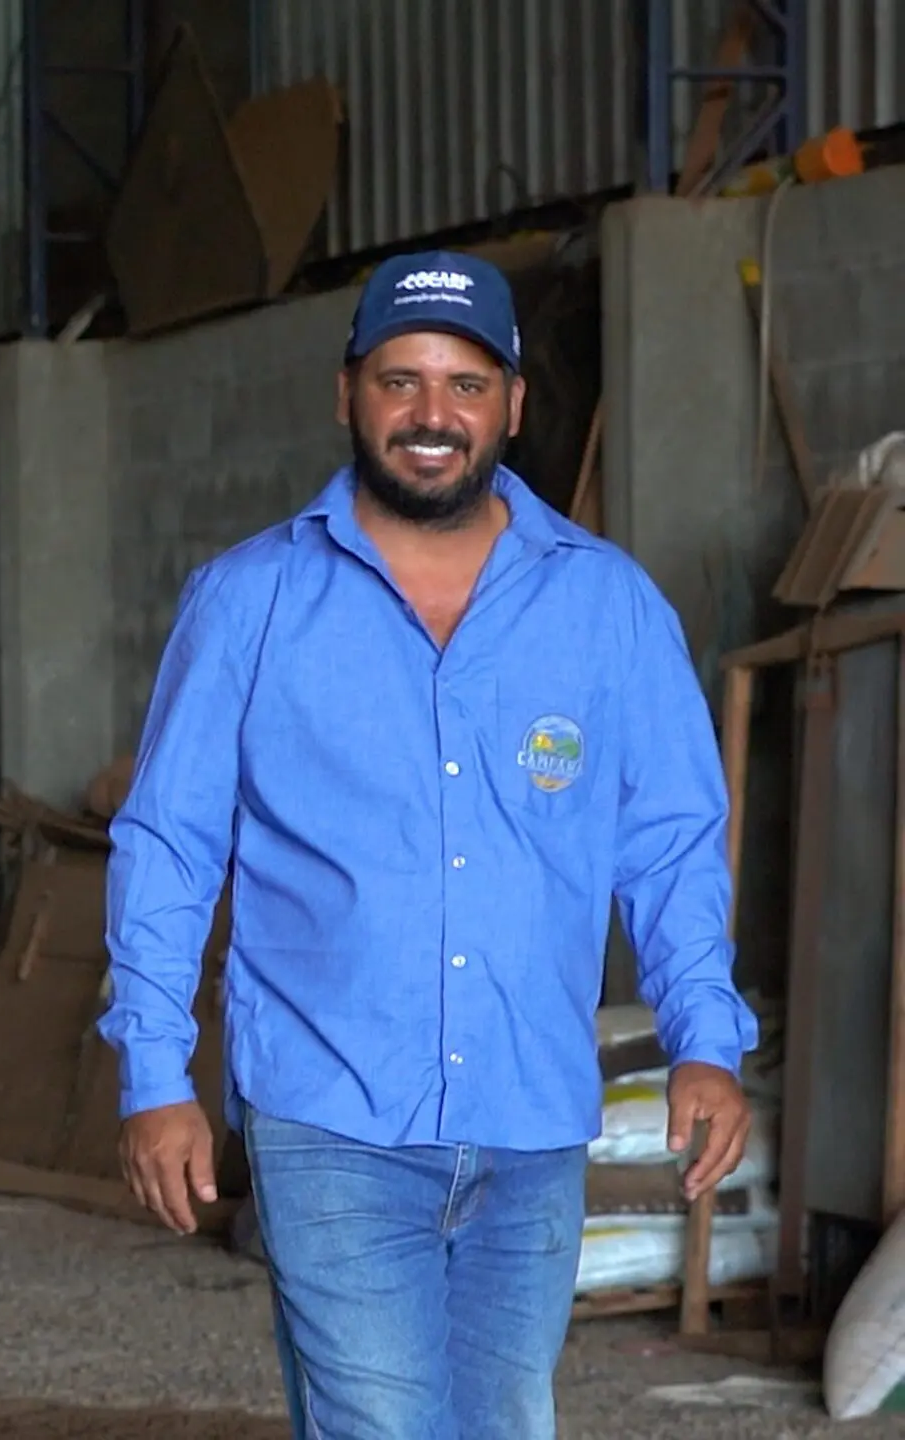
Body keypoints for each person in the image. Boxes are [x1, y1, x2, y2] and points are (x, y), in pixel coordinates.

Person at [101, 249, 760, 1438]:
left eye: (464, 384)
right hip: (331, 1117)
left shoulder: (607, 609)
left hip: (531, 1118)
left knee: (503, 1423)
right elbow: (167, 848)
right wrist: (155, 1076)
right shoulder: (249, 603)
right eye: (400, 381)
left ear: (514, 404)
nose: (431, 416)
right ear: (345, 393)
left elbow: (668, 844)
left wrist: (704, 1039)